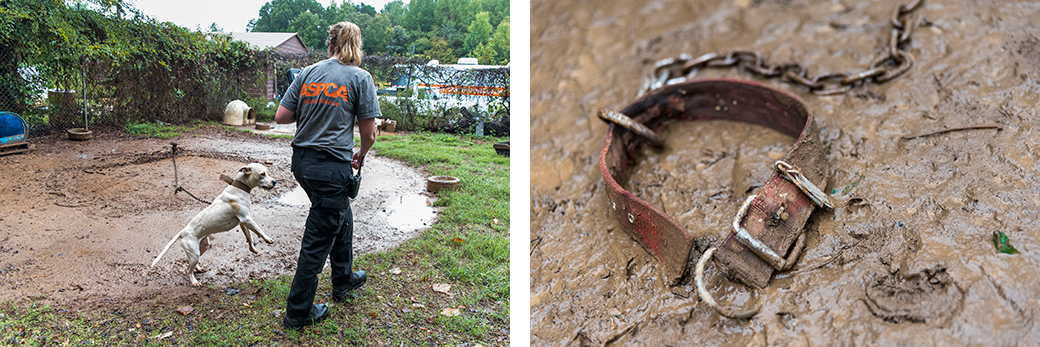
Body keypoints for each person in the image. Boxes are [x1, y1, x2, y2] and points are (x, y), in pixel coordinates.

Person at [274, 21, 379, 329]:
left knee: (339, 215)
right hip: (331, 168)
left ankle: (343, 280)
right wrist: (361, 153)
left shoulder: (307, 74)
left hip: (303, 164)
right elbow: (369, 133)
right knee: (318, 238)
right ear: (356, 46)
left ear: (330, 44)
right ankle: (298, 313)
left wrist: (313, 105)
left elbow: (281, 116)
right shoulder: (360, 78)